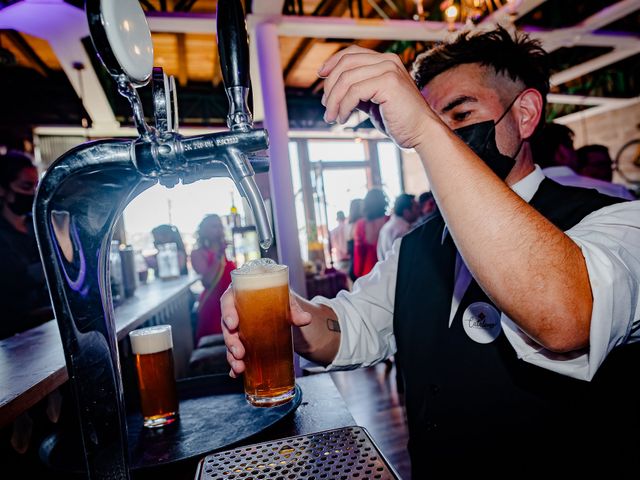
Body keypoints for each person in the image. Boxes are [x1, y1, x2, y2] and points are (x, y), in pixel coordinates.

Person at [222, 27, 640, 474]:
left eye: (460, 114)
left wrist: (423, 127)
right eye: (434, 120)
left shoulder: (618, 222)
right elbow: (350, 327)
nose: (445, 134)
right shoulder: (415, 246)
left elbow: (567, 315)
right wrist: (288, 316)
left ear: (526, 114)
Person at [0, 152, 52, 339]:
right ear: (3, 189)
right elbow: (17, 279)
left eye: (36, 186)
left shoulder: (37, 225)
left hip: (48, 327)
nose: (32, 193)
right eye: (26, 186)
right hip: (13, 335)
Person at [533, 123, 634, 199]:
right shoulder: (616, 192)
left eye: (607, 164)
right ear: (562, 152)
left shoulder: (525, 197)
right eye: (598, 165)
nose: (603, 171)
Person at [190, 214, 236, 345]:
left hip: (231, 302)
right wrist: (218, 254)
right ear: (204, 231)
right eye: (214, 226)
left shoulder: (225, 251)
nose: (219, 229)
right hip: (212, 308)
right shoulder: (197, 253)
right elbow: (207, 281)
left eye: (220, 226)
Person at [351, 188, 389, 279]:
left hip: (368, 272)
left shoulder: (361, 225)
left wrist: (357, 274)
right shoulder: (389, 220)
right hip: (387, 269)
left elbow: (359, 253)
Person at [377, 193, 419, 261]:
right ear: (406, 212)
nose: (419, 211)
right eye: (416, 207)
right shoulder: (403, 231)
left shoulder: (385, 227)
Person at [345, 198, 363, 282]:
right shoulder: (360, 225)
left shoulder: (349, 226)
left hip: (352, 267)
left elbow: (348, 250)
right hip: (359, 268)